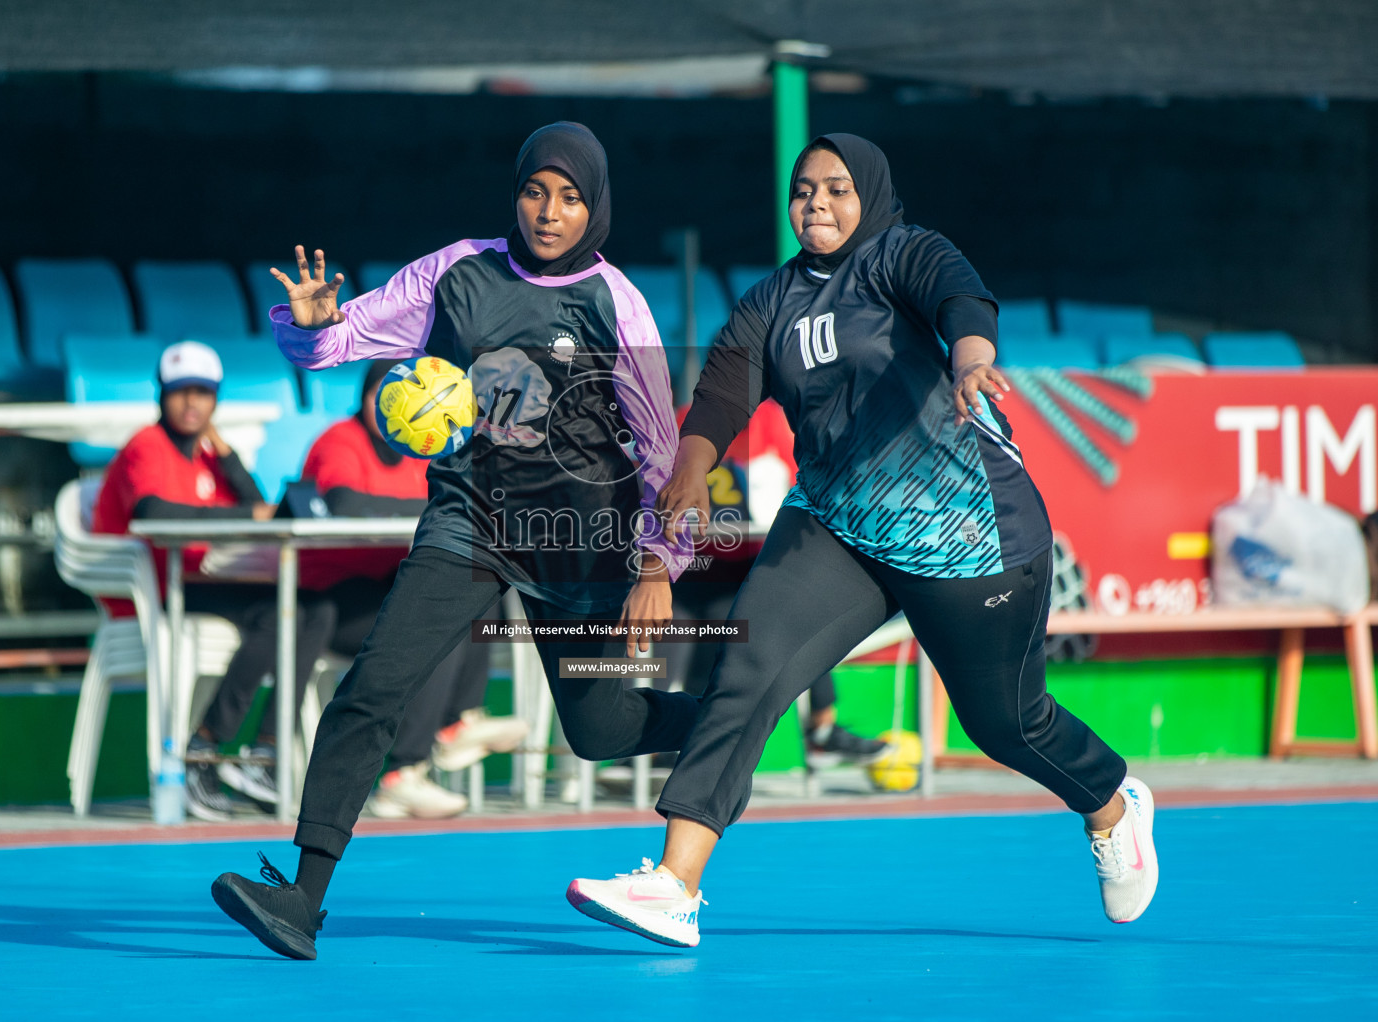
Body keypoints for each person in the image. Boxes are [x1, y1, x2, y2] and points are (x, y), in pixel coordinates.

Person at [565, 134, 1158, 948]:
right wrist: (693, 468)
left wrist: (971, 361)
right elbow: (719, 399)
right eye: (803, 191)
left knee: (1005, 725)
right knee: (749, 669)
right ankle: (674, 884)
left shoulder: (902, 257)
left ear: (869, 194)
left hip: (967, 535)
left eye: (836, 189)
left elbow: (962, 301)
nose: (817, 205)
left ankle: (1112, 804)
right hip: (837, 526)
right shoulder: (769, 302)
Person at [211, 121, 702, 960]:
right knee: (376, 683)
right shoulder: (456, 271)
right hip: (467, 520)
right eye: (536, 192)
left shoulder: (617, 302)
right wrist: (307, 327)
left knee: (601, 730)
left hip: (579, 537)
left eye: (572, 197)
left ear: (597, 208)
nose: (549, 212)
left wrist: (661, 560)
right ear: (515, 194)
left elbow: (664, 449)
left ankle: (729, 715)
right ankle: (303, 894)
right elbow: (340, 339)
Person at [91, 341, 338, 821]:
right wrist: (245, 511)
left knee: (312, 608)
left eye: (203, 393)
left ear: (215, 401)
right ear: (162, 396)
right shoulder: (147, 444)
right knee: (278, 616)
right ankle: (202, 752)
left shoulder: (207, 455)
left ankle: (263, 756)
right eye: (181, 392)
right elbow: (152, 511)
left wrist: (224, 452)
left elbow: (259, 505)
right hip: (155, 588)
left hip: (201, 579)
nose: (191, 403)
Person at [299, 358, 528, 819]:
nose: (403, 408)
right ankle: (400, 774)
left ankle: (457, 723)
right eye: (382, 398)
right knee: (432, 623)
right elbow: (343, 502)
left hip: (384, 583)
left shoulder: (423, 444)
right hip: (333, 600)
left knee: (471, 584)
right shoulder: (339, 440)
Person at [665, 398, 886, 769]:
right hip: (689, 574)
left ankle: (822, 728)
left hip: (745, 569)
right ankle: (649, 749)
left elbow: (794, 487)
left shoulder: (772, 418)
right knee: (667, 652)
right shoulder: (690, 420)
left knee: (795, 613)